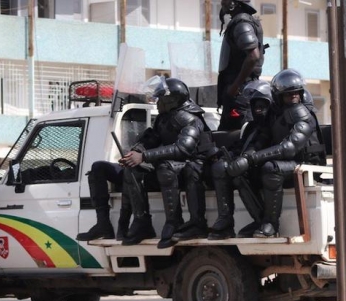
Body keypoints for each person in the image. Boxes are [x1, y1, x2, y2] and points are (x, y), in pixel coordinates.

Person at [226, 69, 325, 237]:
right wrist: (245, 157)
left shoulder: (301, 114)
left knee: (271, 168)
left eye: (296, 93)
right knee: (241, 173)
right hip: (289, 162)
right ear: (279, 96)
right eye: (288, 94)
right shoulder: (275, 114)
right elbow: (262, 139)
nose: (293, 97)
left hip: (306, 164)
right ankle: (260, 220)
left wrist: (251, 159)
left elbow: (289, 148)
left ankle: (271, 224)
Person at [120, 77, 211, 248]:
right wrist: (136, 152)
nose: (157, 101)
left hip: (195, 167)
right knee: (133, 170)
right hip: (176, 168)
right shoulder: (164, 118)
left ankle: (174, 222)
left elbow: (183, 149)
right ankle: (141, 222)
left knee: (165, 167)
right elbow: (151, 139)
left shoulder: (191, 119)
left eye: (160, 98)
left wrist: (145, 156)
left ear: (172, 100)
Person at [209, 80, 273, 240]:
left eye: (262, 106)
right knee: (220, 166)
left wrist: (246, 159)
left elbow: (261, 145)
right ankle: (225, 220)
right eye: (255, 107)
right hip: (249, 163)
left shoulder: (273, 124)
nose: (258, 111)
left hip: (263, 166)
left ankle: (260, 220)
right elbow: (241, 145)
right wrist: (222, 154)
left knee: (239, 176)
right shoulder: (251, 126)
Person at [217, 0, 266, 131]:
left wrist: (235, 87)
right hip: (240, 93)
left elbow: (253, 56)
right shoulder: (242, 22)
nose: (222, 2)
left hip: (241, 95)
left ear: (235, 3)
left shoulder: (241, 23)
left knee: (238, 139)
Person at [76, 161, 132, 242]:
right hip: (127, 166)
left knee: (132, 171)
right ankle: (103, 224)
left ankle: (123, 226)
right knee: (98, 167)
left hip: (147, 167)